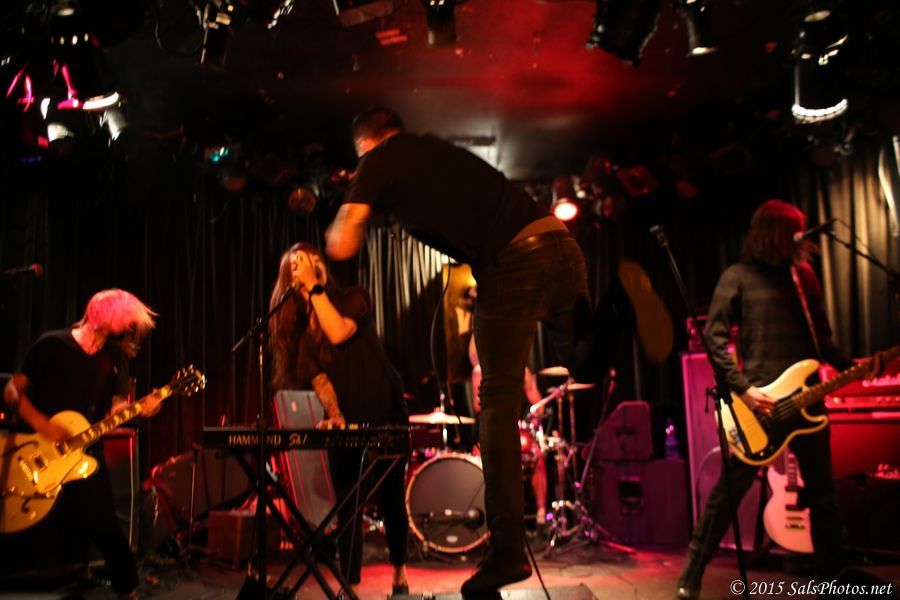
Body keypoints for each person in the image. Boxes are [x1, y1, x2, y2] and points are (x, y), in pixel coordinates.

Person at [325, 107, 592, 598]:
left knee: (496, 404)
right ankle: (602, 322)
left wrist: (343, 214)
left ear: (367, 143)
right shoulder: (431, 149)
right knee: (579, 361)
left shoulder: (378, 158)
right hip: (562, 250)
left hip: (513, 261)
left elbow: (342, 244)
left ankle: (508, 552)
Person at [677, 200, 883, 599]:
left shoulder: (802, 277)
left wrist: (854, 367)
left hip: (807, 401)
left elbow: (822, 339)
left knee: (823, 496)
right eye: (793, 230)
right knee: (728, 494)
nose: (800, 239)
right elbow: (713, 338)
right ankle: (691, 575)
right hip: (759, 405)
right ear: (772, 233)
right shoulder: (737, 276)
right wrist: (744, 389)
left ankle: (832, 578)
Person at [268, 242, 410, 597]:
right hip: (349, 415)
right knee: (349, 504)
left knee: (392, 497)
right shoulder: (302, 332)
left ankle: (400, 572)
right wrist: (335, 415)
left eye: (312, 260)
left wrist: (314, 289)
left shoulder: (353, 298)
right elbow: (320, 379)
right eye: (299, 264)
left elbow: (339, 331)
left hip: (386, 407)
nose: (308, 266)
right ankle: (351, 586)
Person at [2, 288, 160, 600]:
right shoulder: (52, 344)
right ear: (104, 315)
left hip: (82, 453)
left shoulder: (114, 360)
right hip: (34, 448)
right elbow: (11, 391)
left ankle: (127, 591)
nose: (131, 326)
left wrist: (142, 408)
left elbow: (116, 410)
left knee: (105, 525)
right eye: (127, 318)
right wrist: (43, 425)